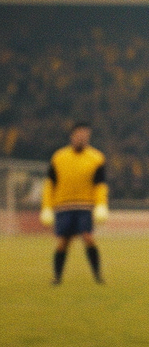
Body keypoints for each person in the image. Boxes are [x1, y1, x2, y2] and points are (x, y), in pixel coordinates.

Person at [42, 122, 107, 285]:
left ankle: (98, 276)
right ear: (72, 136)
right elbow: (50, 184)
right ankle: (57, 278)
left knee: (88, 237)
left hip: (85, 206)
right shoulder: (59, 157)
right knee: (63, 241)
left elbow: (100, 185)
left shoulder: (96, 158)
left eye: (85, 136)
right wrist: (47, 207)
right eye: (79, 135)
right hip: (64, 206)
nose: (82, 139)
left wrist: (100, 204)